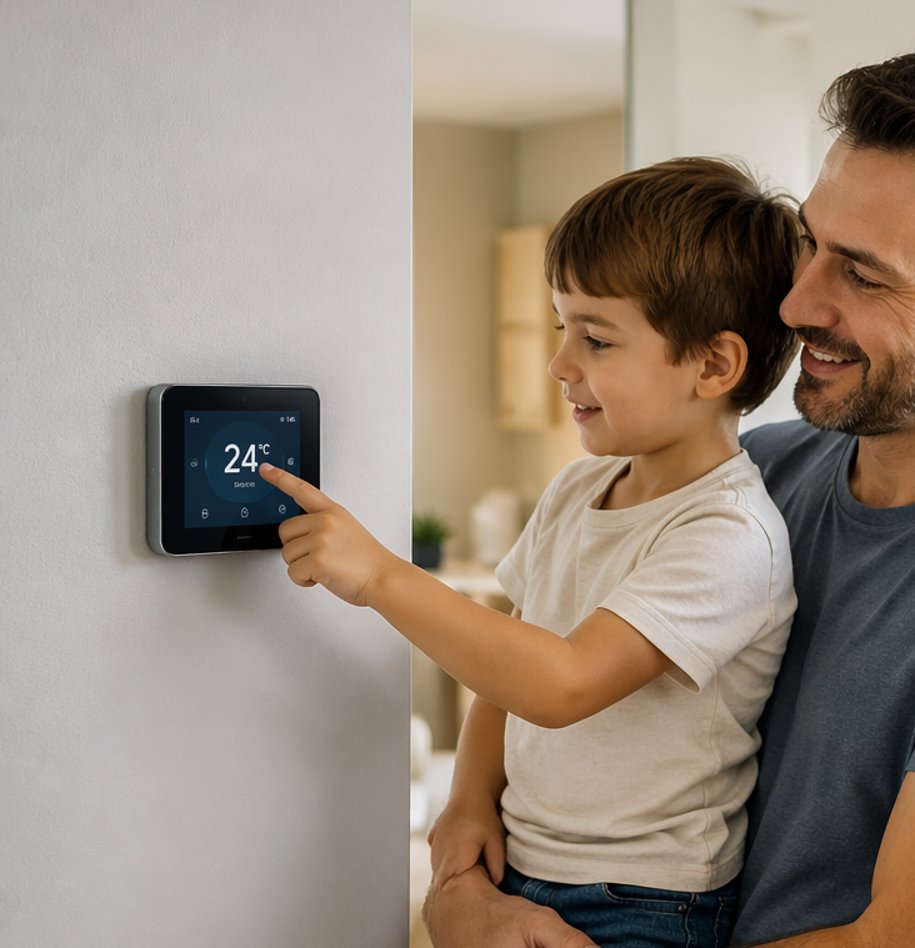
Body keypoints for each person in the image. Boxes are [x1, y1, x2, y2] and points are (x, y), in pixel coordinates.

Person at [425, 48, 915, 948]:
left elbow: (909, 943)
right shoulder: (748, 474)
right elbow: (538, 656)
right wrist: (464, 889)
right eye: (810, 242)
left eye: (862, 272)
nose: (796, 301)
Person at [262, 157, 805, 948]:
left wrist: (382, 576)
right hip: (522, 859)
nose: (560, 363)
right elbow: (506, 677)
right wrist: (470, 800)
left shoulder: (728, 536)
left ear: (714, 365)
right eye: (561, 328)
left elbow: (561, 681)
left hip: (646, 903)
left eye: (597, 338)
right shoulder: (577, 490)